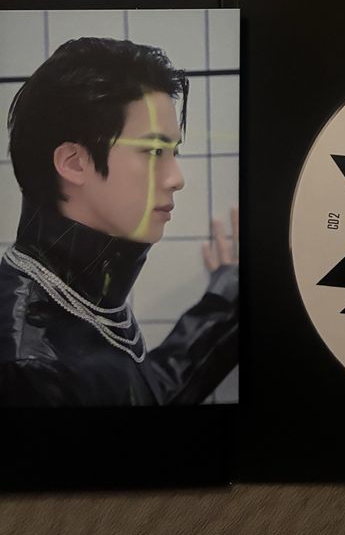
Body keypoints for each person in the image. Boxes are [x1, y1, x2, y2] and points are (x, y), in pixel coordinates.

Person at [0, 36, 238, 407]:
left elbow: (132, 391)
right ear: (74, 163)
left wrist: (228, 300)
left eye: (172, 152)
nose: (176, 178)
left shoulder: (79, 300)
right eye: (154, 151)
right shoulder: (29, 367)